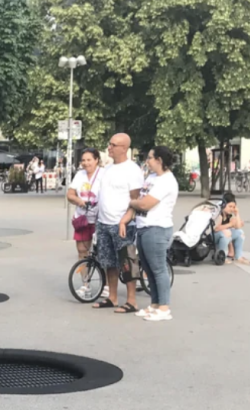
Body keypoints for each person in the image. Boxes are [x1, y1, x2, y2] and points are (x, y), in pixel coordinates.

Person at [92, 133, 144, 314]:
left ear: (124, 148)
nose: (109, 148)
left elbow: (136, 200)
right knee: (109, 261)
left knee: (127, 261)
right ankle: (112, 297)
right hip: (104, 222)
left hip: (122, 224)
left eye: (113, 145)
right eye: (109, 144)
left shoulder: (132, 170)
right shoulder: (108, 168)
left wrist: (126, 219)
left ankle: (131, 301)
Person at [126, 146, 178, 322]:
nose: (147, 161)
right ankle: (155, 304)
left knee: (158, 269)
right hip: (143, 226)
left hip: (157, 228)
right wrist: (137, 202)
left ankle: (164, 307)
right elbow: (141, 200)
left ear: (159, 160)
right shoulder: (153, 177)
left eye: (149, 158)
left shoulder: (166, 181)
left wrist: (132, 202)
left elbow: (145, 204)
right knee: (147, 268)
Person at [67, 148, 103, 259]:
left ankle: (104, 276)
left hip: (101, 219)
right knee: (82, 251)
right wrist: (79, 201)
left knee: (103, 254)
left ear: (96, 160)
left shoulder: (104, 174)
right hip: (82, 219)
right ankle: (85, 277)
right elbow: (70, 194)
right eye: (83, 160)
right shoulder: (79, 175)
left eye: (89, 160)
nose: (86, 163)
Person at [214, 193, 250, 265]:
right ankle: (222, 256)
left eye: (233, 207)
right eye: (230, 206)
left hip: (224, 235)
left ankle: (238, 256)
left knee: (240, 233)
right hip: (214, 236)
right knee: (227, 233)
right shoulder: (219, 214)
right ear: (224, 205)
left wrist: (237, 214)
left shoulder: (229, 215)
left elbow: (238, 226)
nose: (232, 209)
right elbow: (216, 228)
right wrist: (229, 224)